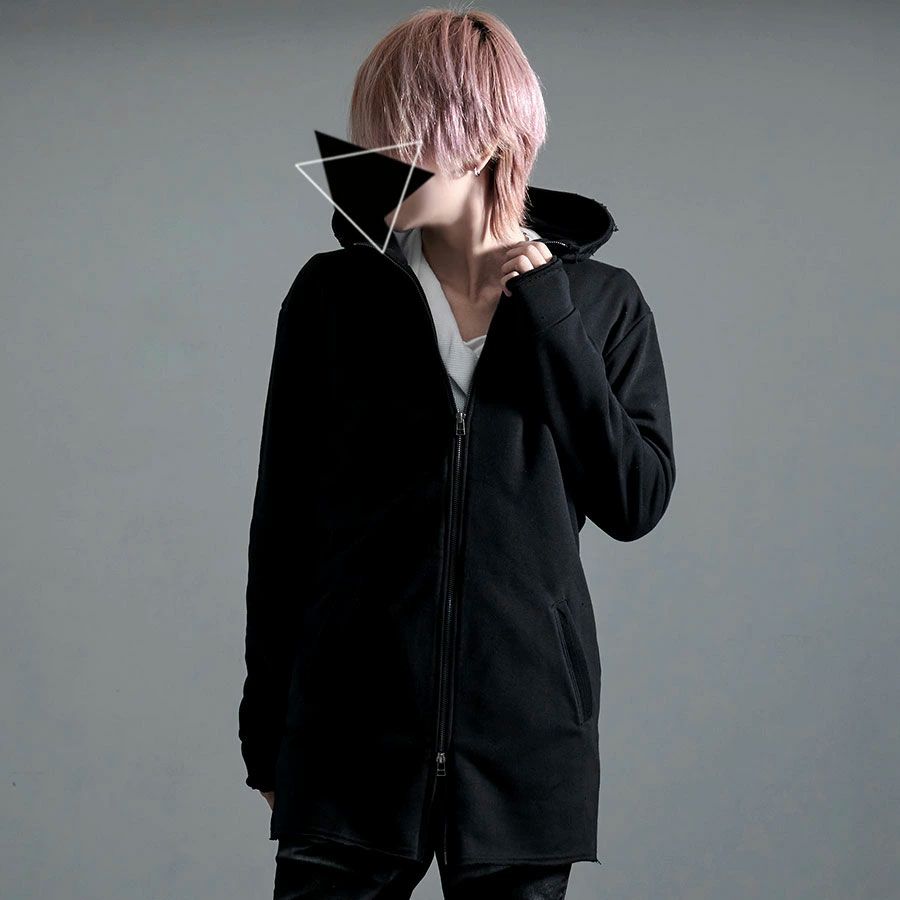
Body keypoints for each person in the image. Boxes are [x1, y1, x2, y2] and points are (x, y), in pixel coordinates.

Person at [238, 8, 676, 898]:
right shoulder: (333, 296)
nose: (364, 162)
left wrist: (549, 318)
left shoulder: (601, 305)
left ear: (479, 142)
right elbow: (282, 526)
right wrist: (267, 735)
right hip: (346, 742)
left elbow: (634, 500)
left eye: (393, 139)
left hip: (524, 747)